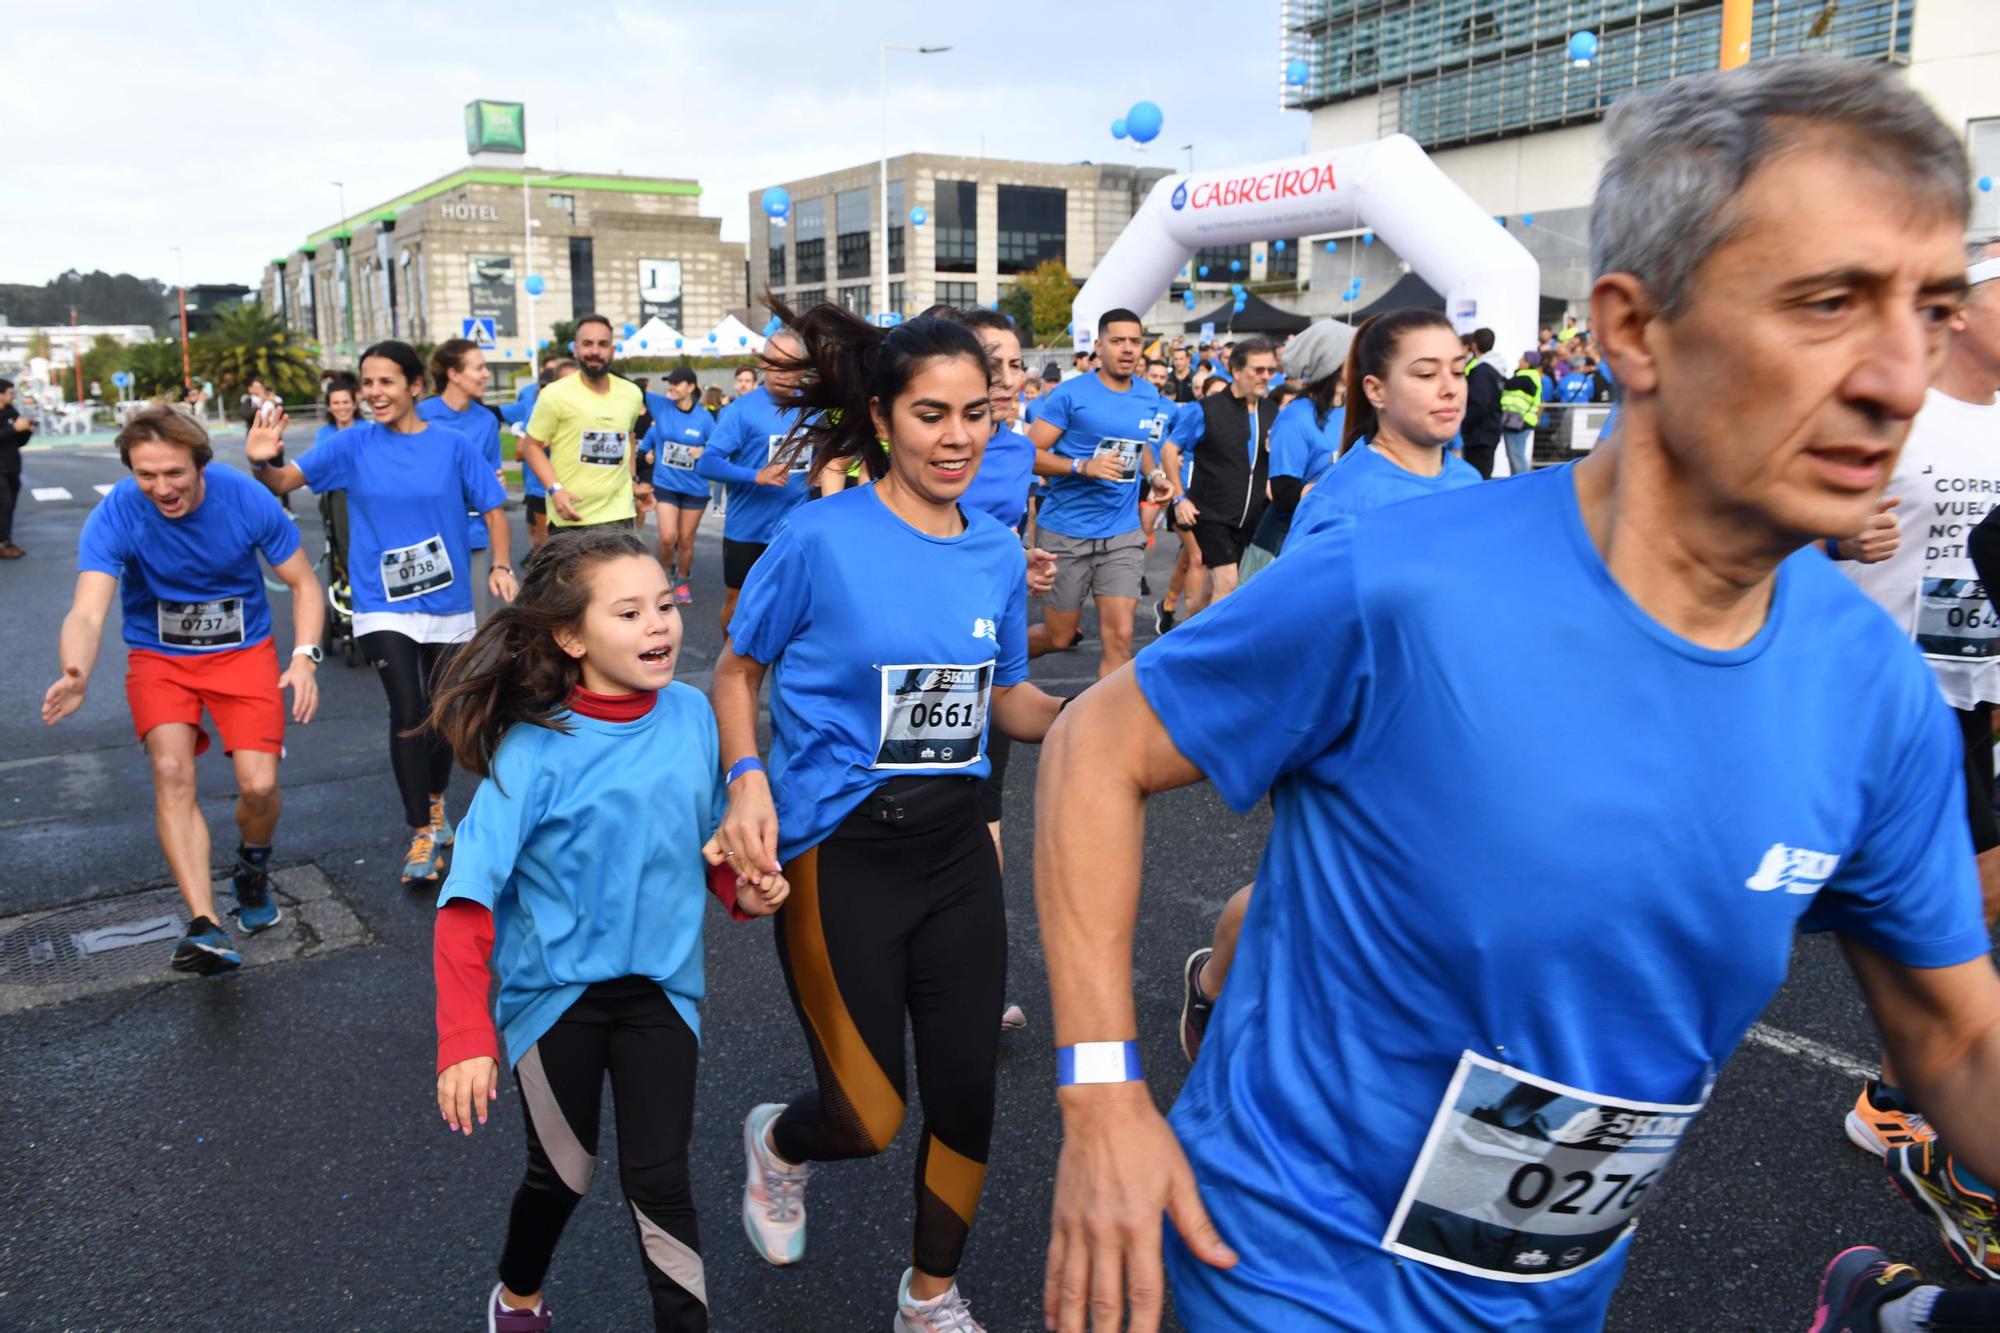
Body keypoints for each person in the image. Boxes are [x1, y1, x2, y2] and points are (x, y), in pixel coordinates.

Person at [1033, 55, 2000, 1333]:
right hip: (1271, 1276)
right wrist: (1101, 1096)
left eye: (1927, 312)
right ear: (1632, 328)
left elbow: (1951, 1035)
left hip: (1541, 1303)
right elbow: (1094, 746)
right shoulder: (1403, 579)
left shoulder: (1870, 685)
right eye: (1824, 304)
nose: (1892, 377)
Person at [708, 305, 1066, 1332]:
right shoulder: (818, 539)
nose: (956, 437)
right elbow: (737, 666)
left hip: (954, 847)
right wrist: (746, 777)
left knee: (967, 1095)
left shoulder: (995, 550)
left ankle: (929, 1295)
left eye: (975, 414)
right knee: (867, 1117)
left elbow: (1005, 697)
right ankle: (780, 1142)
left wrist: (1100, 719)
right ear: (882, 416)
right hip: (839, 853)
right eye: (929, 415)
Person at [428, 529, 786, 1333]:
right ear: (571, 635)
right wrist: (464, 1035)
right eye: (629, 612)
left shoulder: (694, 716)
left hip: (662, 988)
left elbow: (707, 845)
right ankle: (517, 1299)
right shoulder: (535, 748)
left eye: (664, 603)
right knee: (563, 1173)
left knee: (661, 1182)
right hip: (556, 996)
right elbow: (467, 899)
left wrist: (746, 887)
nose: (659, 625)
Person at [1178, 309, 1481, 1063]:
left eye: (1456, 371)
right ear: (1374, 388)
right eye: (1425, 372)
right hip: (1355, 739)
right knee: (1317, 899)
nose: (1449, 388)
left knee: (1409, 900)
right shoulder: (1342, 500)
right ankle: (1219, 983)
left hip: (1448, 734)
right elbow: (1288, 637)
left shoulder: (1472, 479)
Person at [1831, 241, 2000, 1280]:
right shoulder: (1896, 408)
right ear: (1964, 310)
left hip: (1971, 693)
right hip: (1873, 688)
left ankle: (1898, 1097)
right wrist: (1837, 539)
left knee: (1975, 902)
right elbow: (1776, 527)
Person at [43, 406, 322, 973]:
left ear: (199, 463)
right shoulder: (118, 510)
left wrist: (304, 658)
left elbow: (303, 584)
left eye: (173, 473)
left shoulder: (243, 498)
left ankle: (252, 866)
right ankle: (205, 923)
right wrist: (75, 672)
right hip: (160, 656)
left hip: (243, 652)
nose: (161, 488)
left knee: (260, 785)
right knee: (171, 772)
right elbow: (88, 612)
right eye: (146, 474)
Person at [245, 340, 517, 884]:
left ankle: (436, 804)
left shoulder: (452, 446)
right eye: (367, 383)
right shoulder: (351, 446)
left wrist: (502, 564)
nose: (373, 393)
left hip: (446, 602)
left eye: (386, 382)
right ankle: (421, 833)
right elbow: (281, 482)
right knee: (409, 709)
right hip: (379, 604)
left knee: (443, 713)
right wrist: (265, 459)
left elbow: (492, 507)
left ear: (415, 386)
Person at [1027, 308, 1172, 679]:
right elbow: (1030, 455)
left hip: (1121, 534)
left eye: (1135, 341)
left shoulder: (1147, 394)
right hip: (1067, 532)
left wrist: (1155, 474)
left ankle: (1106, 733)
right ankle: (995, 664)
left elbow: (1141, 446)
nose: (1127, 349)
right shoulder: (1071, 394)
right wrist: (1081, 466)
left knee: (1121, 638)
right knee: (1059, 637)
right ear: (1099, 347)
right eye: (1117, 341)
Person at [695, 329, 810, 634]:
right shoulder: (740, 411)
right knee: (737, 602)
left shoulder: (813, 410)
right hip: (746, 529)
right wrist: (755, 476)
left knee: (792, 604)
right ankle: (729, 666)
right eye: (776, 364)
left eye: (792, 366)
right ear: (762, 363)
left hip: (793, 529)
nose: (784, 374)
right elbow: (706, 463)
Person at [1159, 339, 1278, 608]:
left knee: (1208, 594)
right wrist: (1180, 499)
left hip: (1251, 515)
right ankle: (1216, 651)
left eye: (1270, 370)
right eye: (1258, 370)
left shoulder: (1271, 411)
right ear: (1236, 371)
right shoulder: (1205, 409)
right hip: (1210, 514)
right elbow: (1169, 450)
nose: (1266, 377)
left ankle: (1184, 644)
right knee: (1227, 582)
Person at [1236, 317, 1355, 583]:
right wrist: (1340, 490)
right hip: (1283, 546)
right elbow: (1284, 494)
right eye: (1354, 353)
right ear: (1333, 363)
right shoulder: (1295, 418)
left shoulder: (1355, 412)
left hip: (1331, 541)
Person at [521, 316, 652, 534]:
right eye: (587, 344)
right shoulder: (554, 395)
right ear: (575, 350)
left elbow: (627, 436)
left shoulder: (631, 394)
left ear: (612, 350)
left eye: (603, 344)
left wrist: (632, 481)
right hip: (571, 516)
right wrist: (555, 490)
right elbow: (531, 446)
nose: (595, 351)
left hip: (618, 515)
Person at [1150, 377, 1228, 633]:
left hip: (1214, 505)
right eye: (1213, 394)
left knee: (1186, 559)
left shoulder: (1233, 428)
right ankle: (1192, 623)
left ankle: (1168, 607)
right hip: (1184, 500)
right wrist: (1171, 483)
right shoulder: (1194, 421)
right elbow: (1168, 451)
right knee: (1198, 557)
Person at [418, 339, 507, 559]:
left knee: (473, 595)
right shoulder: (420, 415)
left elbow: (491, 480)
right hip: (425, 535)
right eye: (479, 368)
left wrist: (496, 484)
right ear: (454, 375)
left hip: (473, 534)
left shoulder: (487, 421)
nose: (486, 374)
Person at [643, 367, 714, 606]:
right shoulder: (661, 405)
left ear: (691, 387)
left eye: (677, 383)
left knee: (685, 539)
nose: (671, 387)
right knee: (667, 536)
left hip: (695, 487)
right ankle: (663, 578)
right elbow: (632, 388)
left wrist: (703, 451)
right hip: (666, 484)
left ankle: (682, 580)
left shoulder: (704, 418)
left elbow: (718, 448)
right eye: (669, 383)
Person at [503, 358, 578, 553]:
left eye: (549, 386)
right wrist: (536, 440)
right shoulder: (533, 409)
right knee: (539, 543)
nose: (544, 391)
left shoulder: (576, 410)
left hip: (568, 487)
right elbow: (520, 452)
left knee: (560, 547)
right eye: (541, 387)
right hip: (537, 487)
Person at [1459, 326, 1506, 477]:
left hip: (1479, 437)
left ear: (1474, 345)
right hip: (1485, 434)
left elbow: (1479, 405)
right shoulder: (1491, 369)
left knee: (1477, 479)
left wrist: (1462, 424)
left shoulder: (1482, 372)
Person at [0, 377, 34, 559]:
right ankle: (3, 543)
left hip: (12, 466)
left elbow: (18, 442)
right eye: (10, 393)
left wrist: (26, 431)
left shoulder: (10, 411)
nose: (13, 396)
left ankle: (6, 539)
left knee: (9, 504)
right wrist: (13, 429)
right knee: (3, 502)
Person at [1498, 349, 1545, 476]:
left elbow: (1505, 385)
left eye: (1522, 359)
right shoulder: (1532, 377)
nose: (1519, 360)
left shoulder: (1524, 378)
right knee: (1516, 454)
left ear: (1528, 362)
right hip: (1522, 421)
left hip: (1518, 421)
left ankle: (1522, 483)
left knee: (1516, 455)